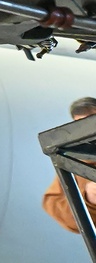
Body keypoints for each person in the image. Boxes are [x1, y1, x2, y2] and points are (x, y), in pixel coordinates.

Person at [42, 96, 96, 233]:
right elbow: (55, 205)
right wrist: (89, 200)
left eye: (91, 120)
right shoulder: (75, 162)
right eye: (80, 124)